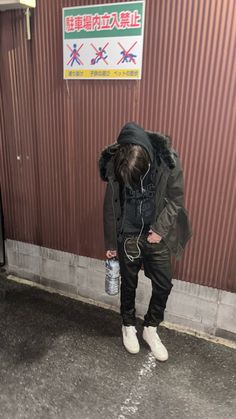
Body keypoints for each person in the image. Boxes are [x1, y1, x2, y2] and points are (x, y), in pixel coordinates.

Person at [99, 122, 192, 361]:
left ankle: (151, 328)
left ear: (147, 159)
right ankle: (128, 324)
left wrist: (160, 230)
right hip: (128, 234)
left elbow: (176, 200)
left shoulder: (167, 161)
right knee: (128, 284)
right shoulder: (117, 162)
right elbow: (110, 206)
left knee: (163, 284)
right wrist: (111, 244)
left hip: (155, 234)